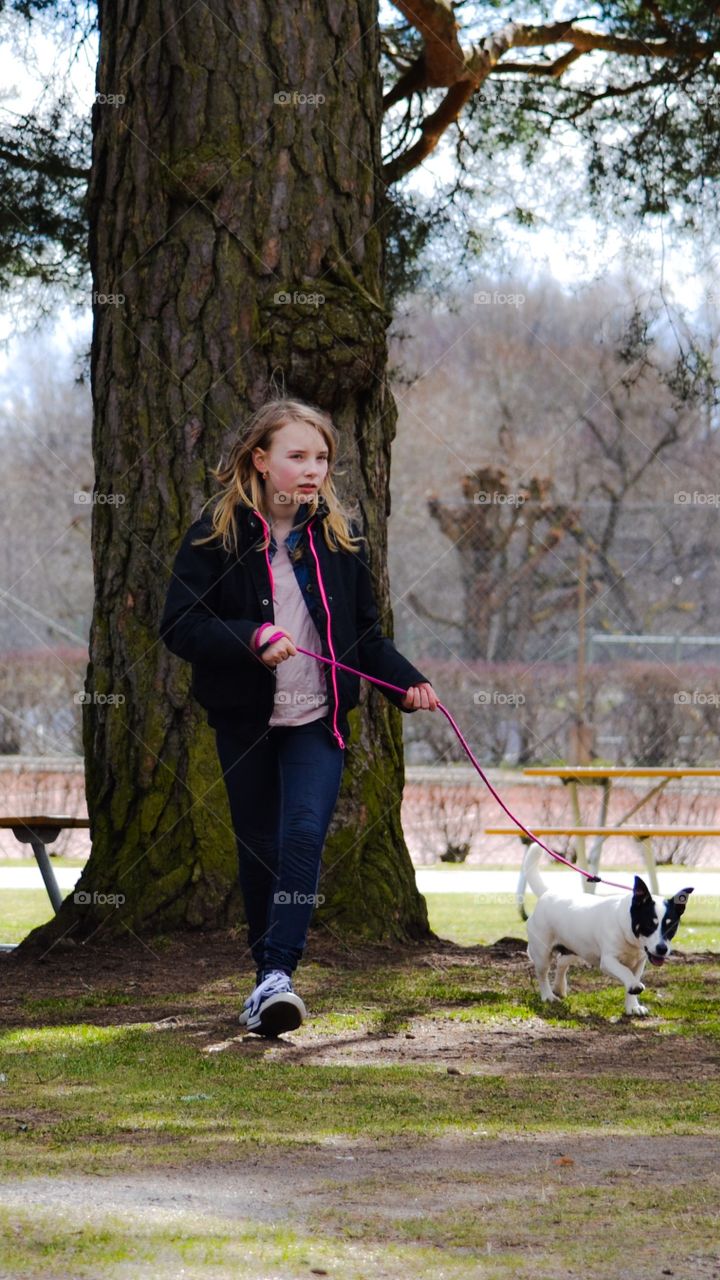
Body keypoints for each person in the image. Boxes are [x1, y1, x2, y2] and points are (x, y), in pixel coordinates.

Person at [159, 398, 438, 1036]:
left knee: (305, 835)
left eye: (321, 458)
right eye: (298, 456)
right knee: (259, 848)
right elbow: (180, 624)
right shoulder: (213, 536)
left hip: (318, 721)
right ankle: (267, 980)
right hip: (245, 722)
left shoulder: (341, 538)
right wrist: (252, 636)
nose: (313, 470)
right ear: (261, 461)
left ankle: (279, 973)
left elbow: (365, 635)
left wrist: (407, 682)